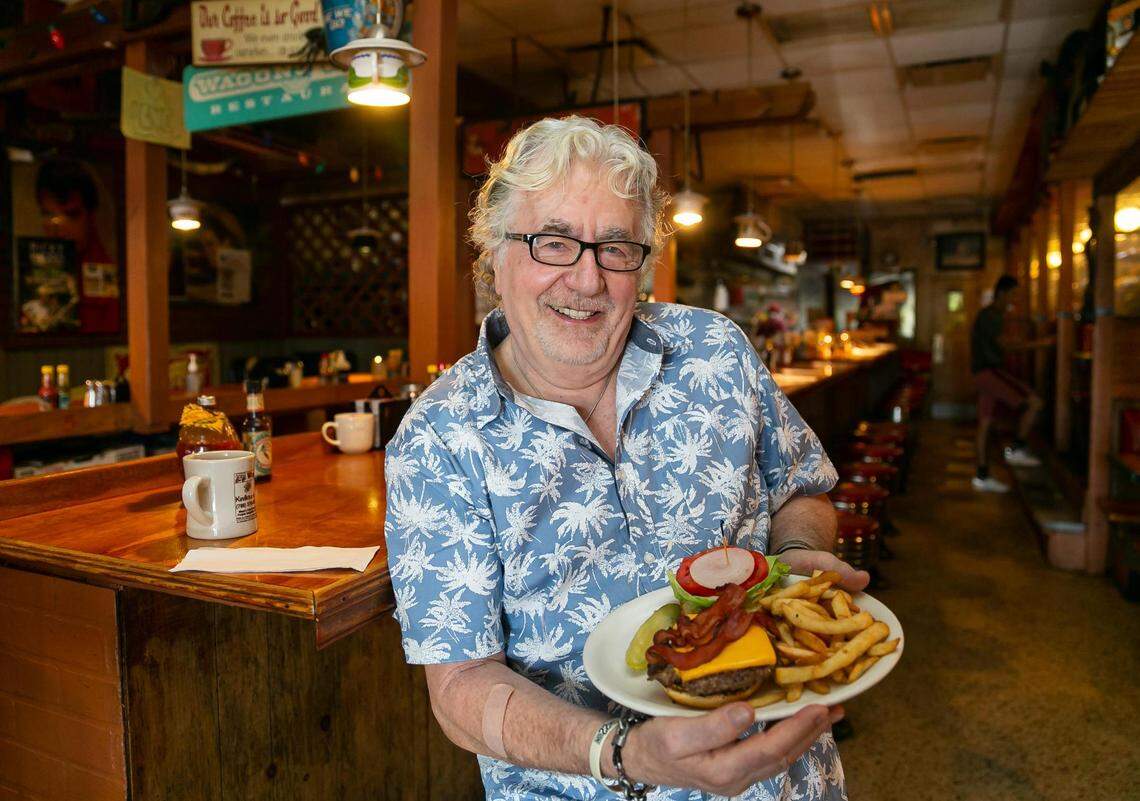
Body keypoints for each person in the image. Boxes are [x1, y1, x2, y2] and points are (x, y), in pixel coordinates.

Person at [384, 117, 867, 801]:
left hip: (783, 779)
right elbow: (460, 685)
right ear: (494, 254)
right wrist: (624, 752)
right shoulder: (437, 441)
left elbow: (801, 489)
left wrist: (799, 558)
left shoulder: (717, 352)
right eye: (553, 242)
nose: (586, 279)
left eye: (615, 247)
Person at [970, 274, 1043, 493]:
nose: (1015, 299)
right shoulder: (991, 316)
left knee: (984, 424)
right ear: (1002, 293)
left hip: (981, 373)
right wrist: (1042, 344)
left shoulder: (991, 315)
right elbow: (1007, 346)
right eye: (1013, 294)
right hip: (990, 372)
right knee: (1034, 403)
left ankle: (982, 476)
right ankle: (1017, 449)